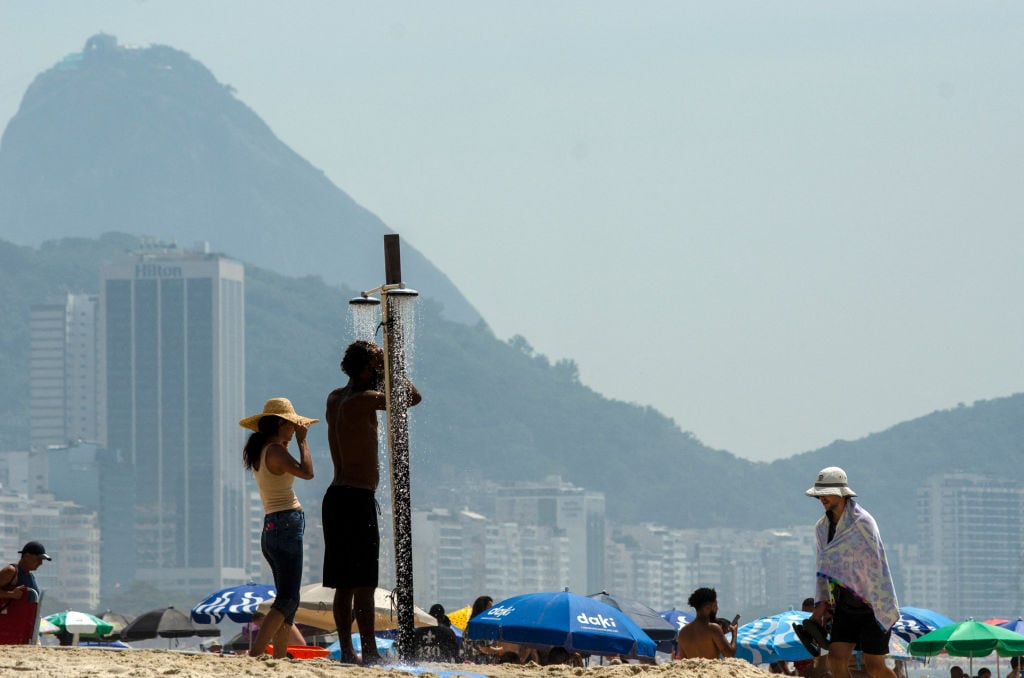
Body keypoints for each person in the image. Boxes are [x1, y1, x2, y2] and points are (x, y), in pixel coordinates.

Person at [323, 340, 422, 665]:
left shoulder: (335, 398)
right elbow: (412, 398)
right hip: (356, 497)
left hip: (336, 496)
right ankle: (368, 650)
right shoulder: (364, 400)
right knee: (364, 581)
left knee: (343, 584)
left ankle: (348, 651)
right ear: (368, 370)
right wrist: (392, 368)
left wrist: (379, 367)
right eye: (376, 365)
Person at [239, 397, 317, 658]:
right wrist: (303, 441)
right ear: (280, 424)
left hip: (272, 527)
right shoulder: (276, 450)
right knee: (287, 599)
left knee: (288, 598)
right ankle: (257, 653)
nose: (295, 429)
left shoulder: (263, 450)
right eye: (292, 425)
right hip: (286, 525)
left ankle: (280, 655)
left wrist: (292, 438)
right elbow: (307, 472)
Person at [806, 467, 899, 678]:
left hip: (871, 604)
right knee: (836, 659)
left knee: (874, 666)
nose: (822, 498)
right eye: (819, 494)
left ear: (842, 493)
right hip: (844, 604)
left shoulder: (863, 522)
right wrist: (821, 606)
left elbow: (875, 566)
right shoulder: (821, 528)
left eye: (826, 493)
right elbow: (822, 569)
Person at [674, 587, 736, 659]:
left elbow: (682, 659)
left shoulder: (683, 632)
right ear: (707, 608)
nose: (717, 608)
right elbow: (730, 655)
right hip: (710, 669)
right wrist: (734, 634)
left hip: (693, 670)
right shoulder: (713, 629)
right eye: (715, 606)